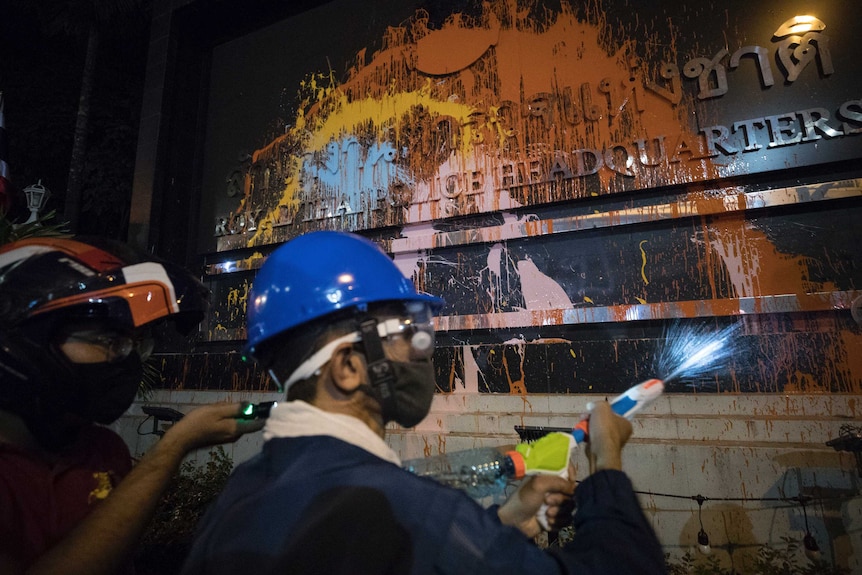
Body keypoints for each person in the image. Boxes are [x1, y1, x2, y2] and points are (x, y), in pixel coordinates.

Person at [181, 231, 665, 575]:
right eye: (408, 336)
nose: (422, 352)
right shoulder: (407, 511)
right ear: (348, 367)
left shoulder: (243, 492)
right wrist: (606, 468)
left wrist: (508, 520)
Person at [0, 236, 265, 575]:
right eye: (110, 341)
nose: (126, 360)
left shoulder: (102, 450)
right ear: (30, 335)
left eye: (135, 344)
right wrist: (172, 449)